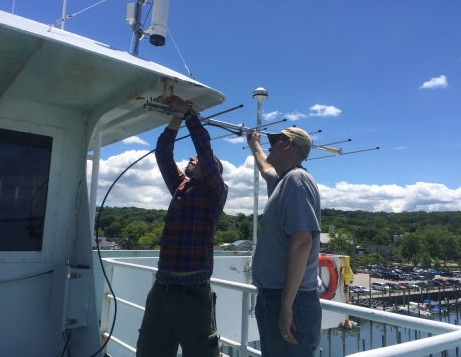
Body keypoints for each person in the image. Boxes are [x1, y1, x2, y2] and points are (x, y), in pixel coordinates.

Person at [136, 95, 228, 357]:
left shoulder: (216, 192)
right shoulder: (180, 186)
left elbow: (205, 153)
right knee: (149, 352)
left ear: (214, 172)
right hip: (161, 288)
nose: (193, 157)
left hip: (193, 293)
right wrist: (176, 118)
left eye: (198, 161)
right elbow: (164, 154)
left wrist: (189, 113)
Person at [247, 127, 322, 357]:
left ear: (288, 144)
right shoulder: (282, 181)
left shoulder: (296, 180)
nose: (269, 145)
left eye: (274, 140)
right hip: (278, 297)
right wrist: (254, 144)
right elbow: (264, 167)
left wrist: (286, 306)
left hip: (290, 300)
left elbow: (302, 243)